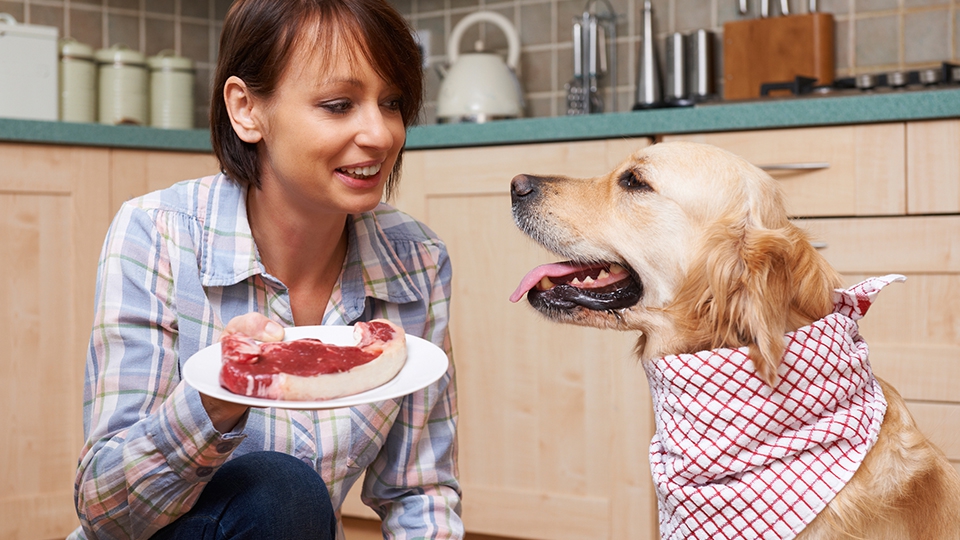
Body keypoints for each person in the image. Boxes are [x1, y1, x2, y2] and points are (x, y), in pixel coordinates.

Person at [67, 0, 462, 538]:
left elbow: (419, 490)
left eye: (391, 102)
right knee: (280, 490)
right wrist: (216, 399)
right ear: (246, 109)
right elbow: (103, 508)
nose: (381, 133)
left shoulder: (417, 260)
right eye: (339, 104)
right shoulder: (157, 233)